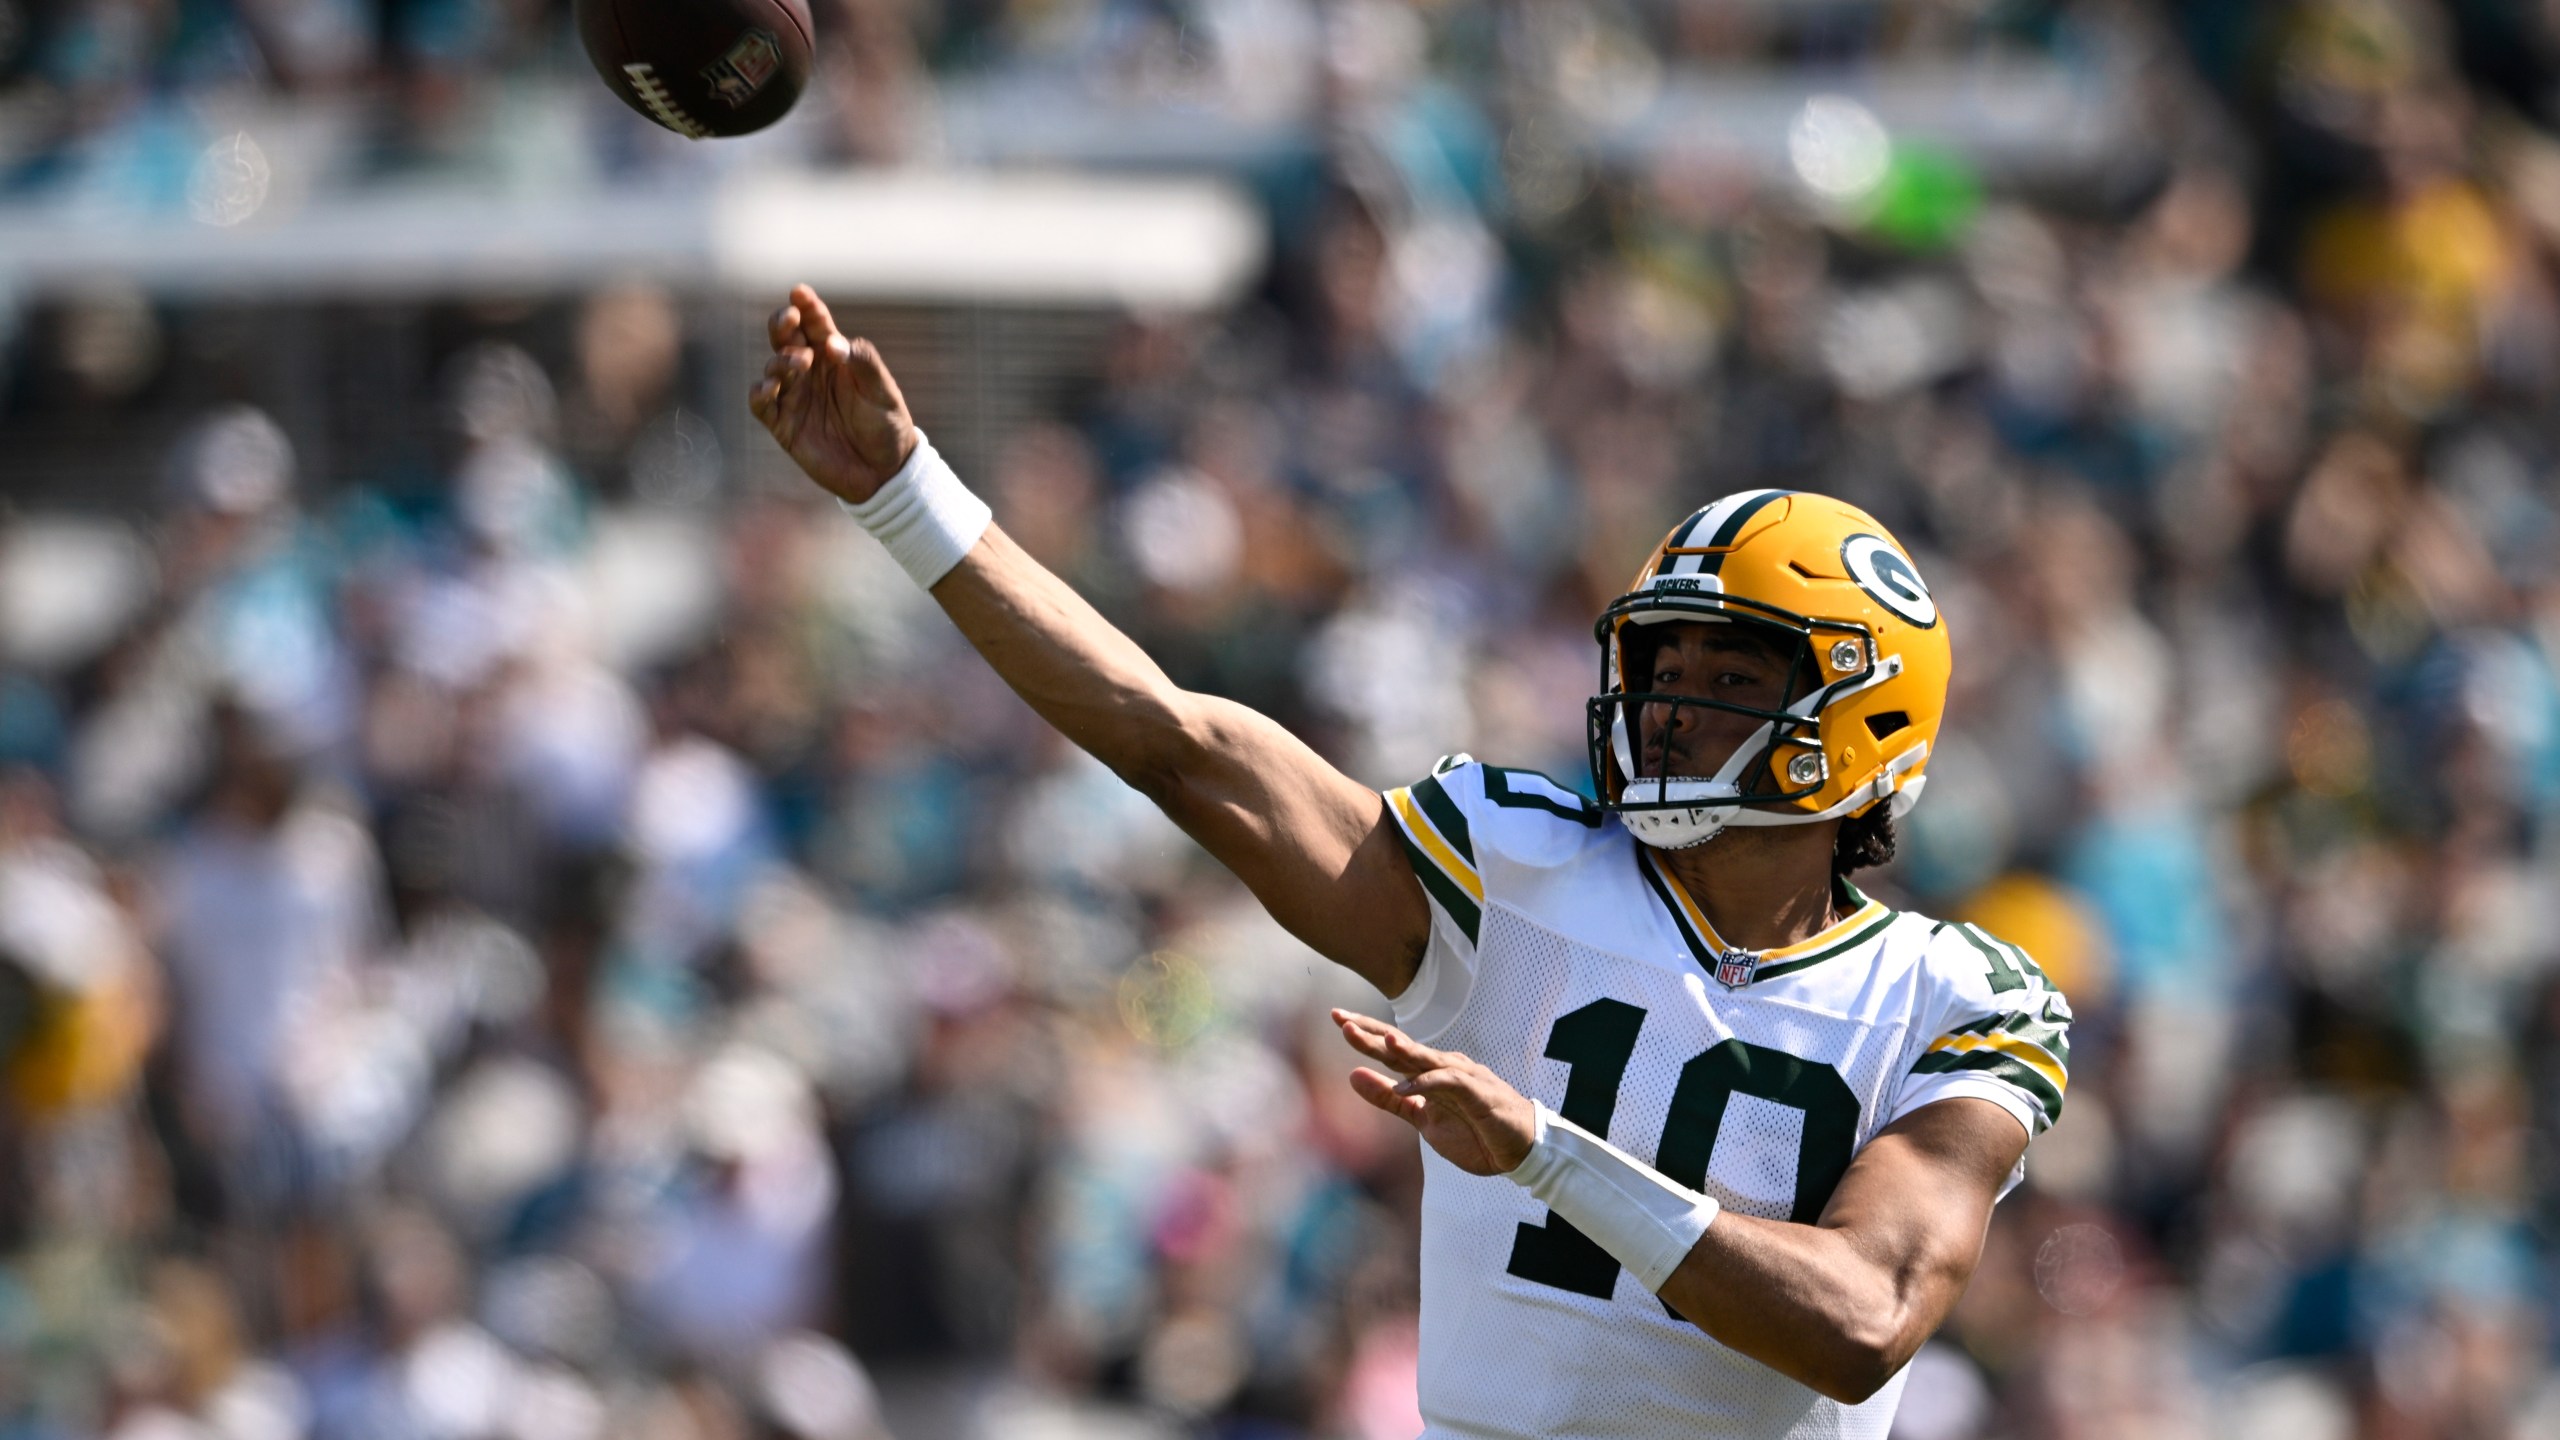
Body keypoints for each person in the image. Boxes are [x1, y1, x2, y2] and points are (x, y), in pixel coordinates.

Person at [749, 285, 2070, 1439]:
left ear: (1861, 715)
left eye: (1728, 678)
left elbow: (1866, 1317)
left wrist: (1546, 1153)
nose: (1670, 709)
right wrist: (908, 500)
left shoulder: (1955, 998)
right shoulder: (1518, 867)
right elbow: (1178, 744)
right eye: (1663, 668)